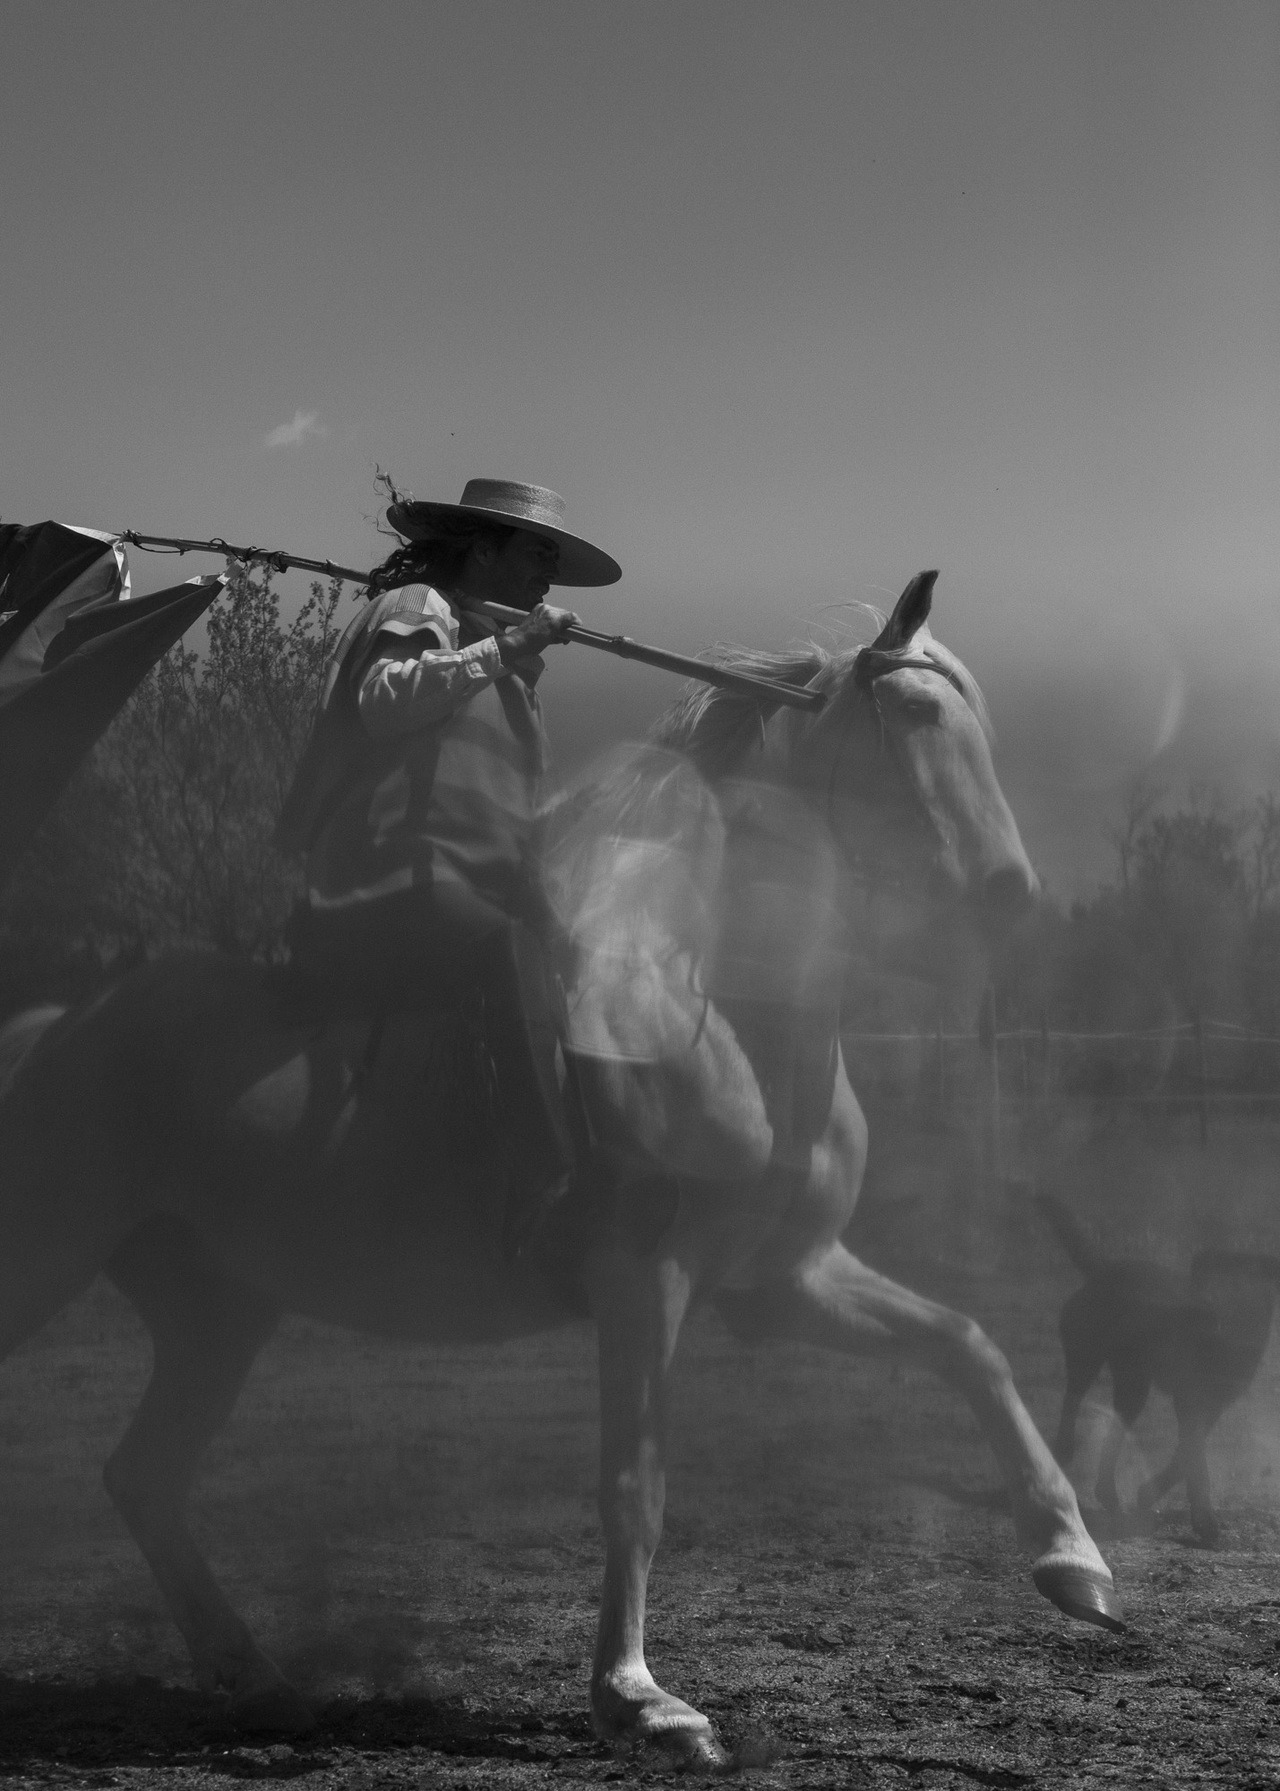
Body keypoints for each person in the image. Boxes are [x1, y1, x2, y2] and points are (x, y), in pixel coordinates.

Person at [276, 477, 621, 1251]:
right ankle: (546, 1188)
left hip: (462, 896)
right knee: (507, 949)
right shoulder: (419, 611)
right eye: (537, 553)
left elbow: (517, 827)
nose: (546, 576)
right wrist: (505, 648)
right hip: (377, 888)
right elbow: (385, 700)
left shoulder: (516, 686)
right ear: (481, 547)